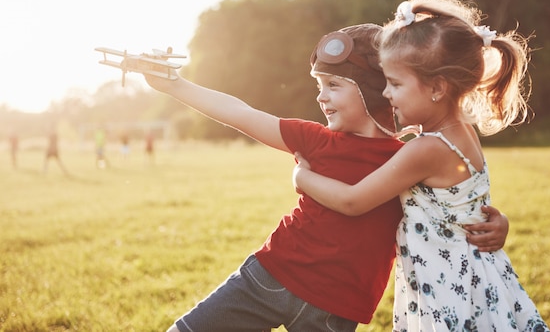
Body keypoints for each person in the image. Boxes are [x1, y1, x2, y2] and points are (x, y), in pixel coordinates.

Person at [136, 23, 509, 332]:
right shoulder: (314, 139)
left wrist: (495, 222)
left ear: (372, 89)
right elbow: (241, 113)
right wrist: (174, 85)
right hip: (270, 275)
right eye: (319, 86)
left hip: (335, 310)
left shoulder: (409, 157)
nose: (321, 97)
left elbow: (452, 202)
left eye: (333, 85)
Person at [293, 0, 550, 331]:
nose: (386, 93)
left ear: (436, 88)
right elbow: (464, 205)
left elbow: (353, 201)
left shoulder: (426, 150)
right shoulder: (462, 133)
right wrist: (499, 221)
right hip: (478, 276)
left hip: (449, 288)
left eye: (395, 83)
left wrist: (302, 177)